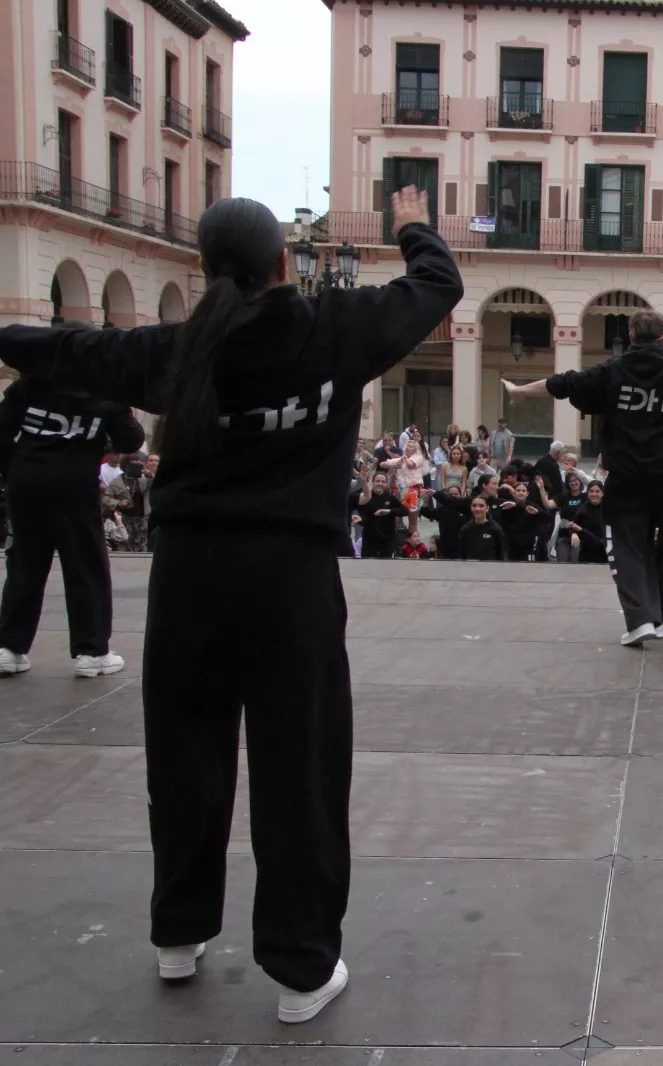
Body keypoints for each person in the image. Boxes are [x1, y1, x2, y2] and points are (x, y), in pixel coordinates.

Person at [0, 188, 462, 1022]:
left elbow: (65, 350)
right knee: (300, 771)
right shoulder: (337, 329)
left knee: (184, 760)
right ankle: (299, 969)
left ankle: (179, 938)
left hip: (188, 578)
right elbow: (438, 285)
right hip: (290, 582)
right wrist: (408, 223)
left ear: (204, 268)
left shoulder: (173, 350)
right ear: (283, 261)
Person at [504, 310, 663, 643]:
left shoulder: (612, 371)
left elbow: (563, 383)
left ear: (630, 336)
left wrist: (519, 390)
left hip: (628, 478)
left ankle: (640, 619)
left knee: (628, 547)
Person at [0, 379, 144, 677]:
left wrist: (14, 466)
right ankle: (91, 651)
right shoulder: (104, 390)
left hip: (27, 480)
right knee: (85, 565)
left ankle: (10, 647)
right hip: (74, 484)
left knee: (24, 563)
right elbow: (131, 440)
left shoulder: (30, 385)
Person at [459, 496, 506, 561]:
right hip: (470, 568)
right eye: (474, 506)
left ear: (487, 508)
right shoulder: (465, 529)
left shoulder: (496, 529)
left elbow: (501, 554)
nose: (477, 509)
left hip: (490, 568)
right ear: (471, 508)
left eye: (481, 506)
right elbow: (461, 554)